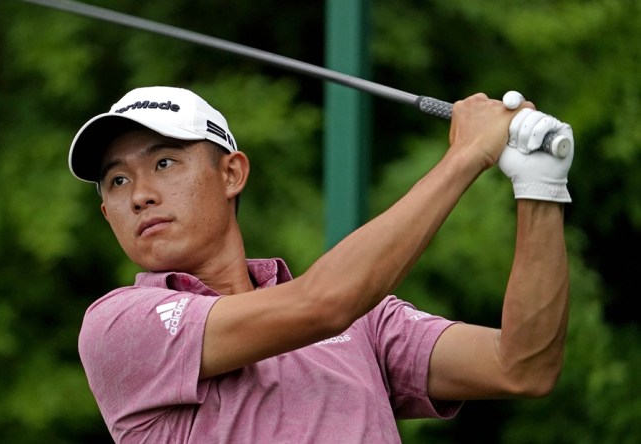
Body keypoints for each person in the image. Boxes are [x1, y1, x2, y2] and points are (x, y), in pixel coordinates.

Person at [68, 86, 573, 443]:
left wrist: (540, 187)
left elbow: (524, 366)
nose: (140, 196)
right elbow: (323, 303)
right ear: (106, 212)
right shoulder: (120, 325)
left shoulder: (367, 322)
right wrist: (466, 155)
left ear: (231, 173)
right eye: (117, 182)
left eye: (164, 163)